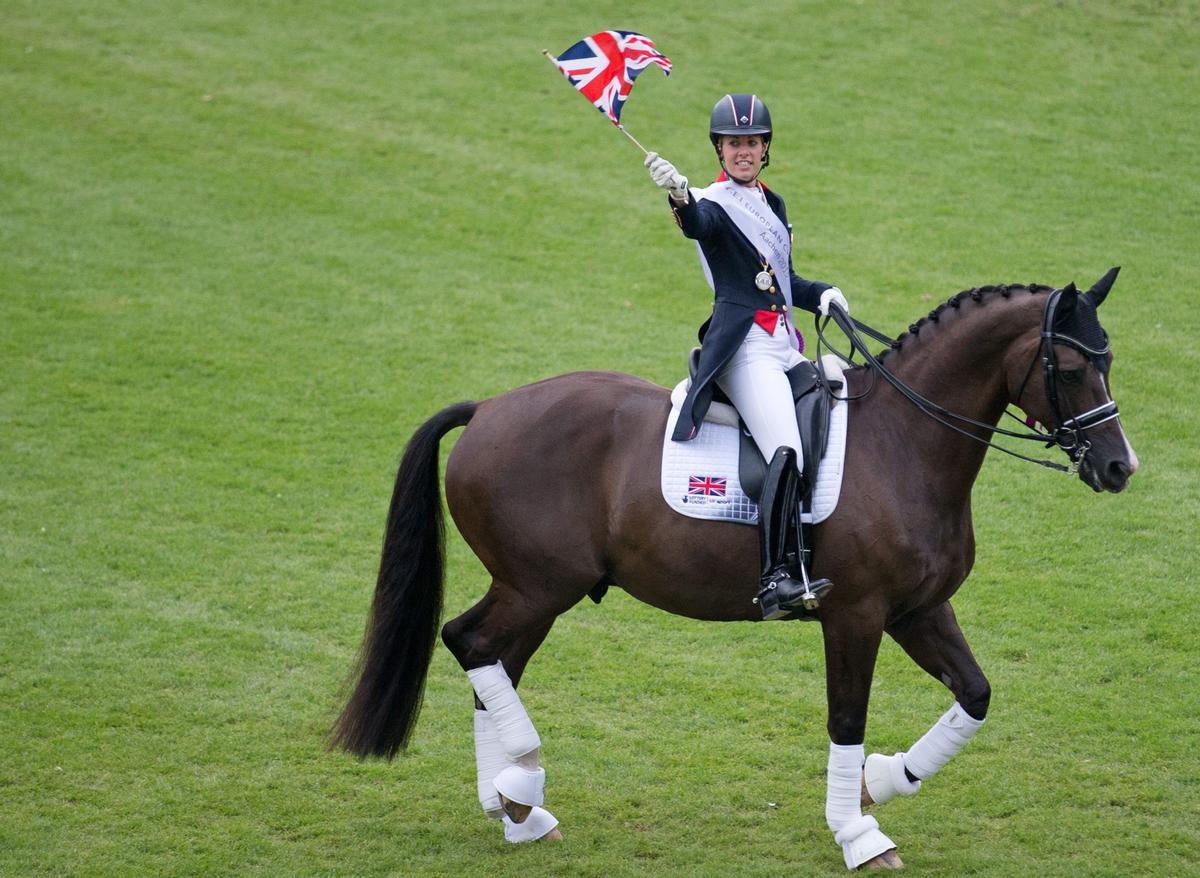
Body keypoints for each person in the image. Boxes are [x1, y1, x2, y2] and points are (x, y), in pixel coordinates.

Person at [645, 93, 849, 618]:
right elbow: (700, 226)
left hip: (784, 345)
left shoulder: (772, 204)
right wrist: (678, 197)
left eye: (752, 143)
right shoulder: (711, 202)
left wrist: (821, 293)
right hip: (745, 352)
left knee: (839, 414)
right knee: (786, 446)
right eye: (734, 143)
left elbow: (781, 284)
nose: (744, 151)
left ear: (765, 149)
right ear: (720, 149)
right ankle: (776, 579)